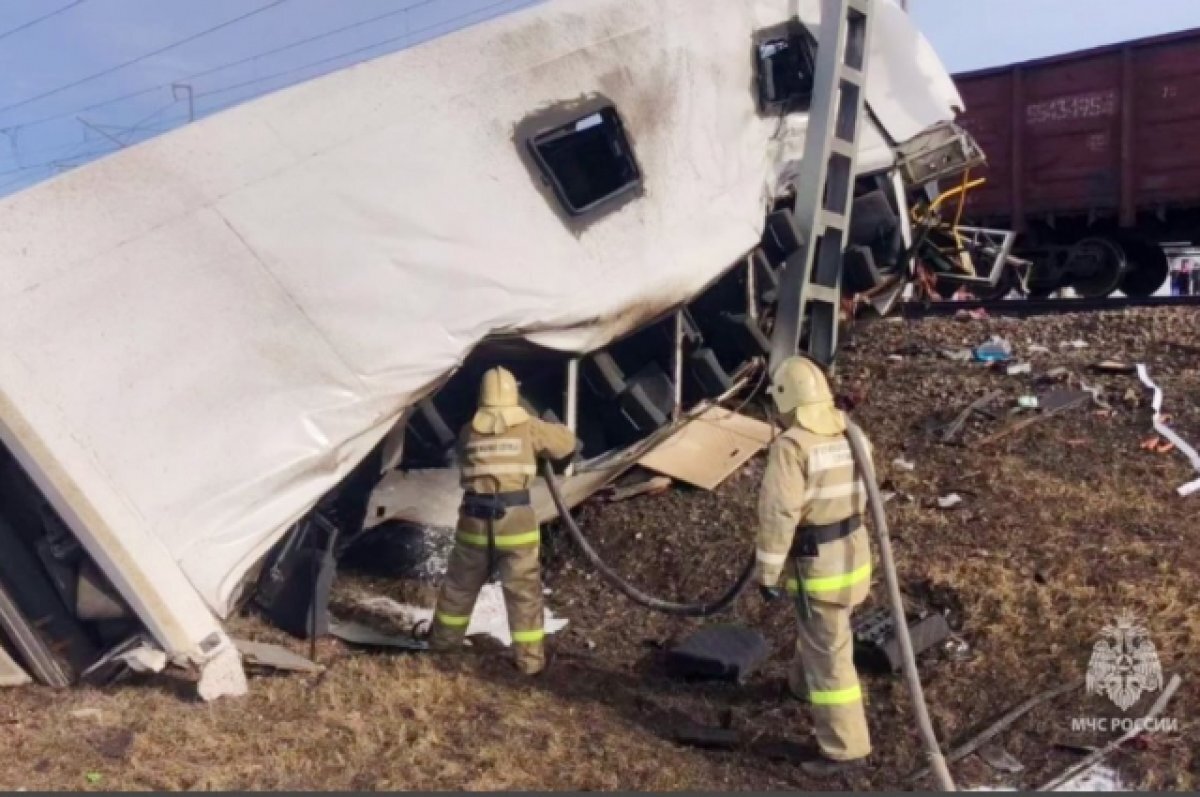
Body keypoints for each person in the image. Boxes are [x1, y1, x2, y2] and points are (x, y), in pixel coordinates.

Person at [756, 356, 875, 777]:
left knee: (831, 656)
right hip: (852, 559)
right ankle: (800, 687)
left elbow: (778, 514)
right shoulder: (851, 434)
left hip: (819, 567)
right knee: (821, 633)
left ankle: (846, 748)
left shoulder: (792, 447)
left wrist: (767, 572)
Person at [428, 366, 577, 675]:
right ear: (514, 395)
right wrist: (553, 427)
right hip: (514, 521)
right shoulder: (530, 428)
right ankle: (529, 663)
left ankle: (442, 647)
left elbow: (462, 454)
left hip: (473, 521)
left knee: (458, 587)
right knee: (523, 592)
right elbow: (566, 444)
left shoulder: (468, 431)